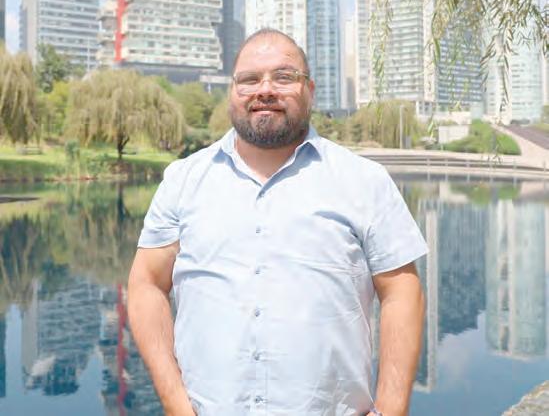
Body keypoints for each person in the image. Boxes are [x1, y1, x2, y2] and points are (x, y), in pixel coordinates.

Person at [128, 28, 428, 416]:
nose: (265, 90)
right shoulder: (182, 180)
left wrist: (392, 408)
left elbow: (402, 291)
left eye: (284, 77)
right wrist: (174, 402)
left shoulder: (365, 181)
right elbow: (146, 285)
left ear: (310, 90)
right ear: (233, 91)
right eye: (249, 79)